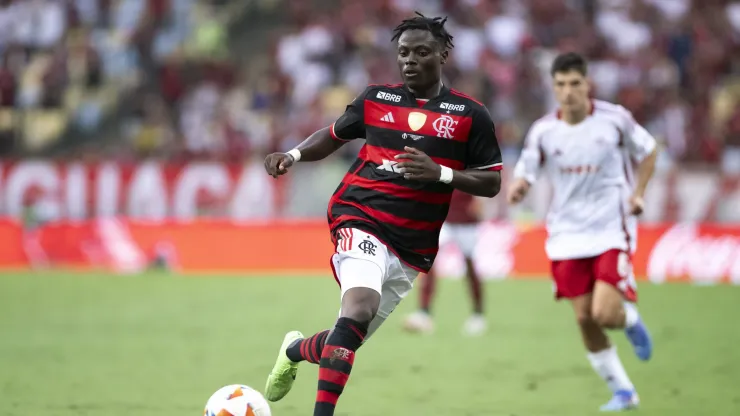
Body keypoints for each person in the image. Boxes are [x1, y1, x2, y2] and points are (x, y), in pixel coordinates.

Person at [262, 12, 503, 416]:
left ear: (444, 54)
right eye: (403, 53)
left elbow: (492, 181)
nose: (409, 60)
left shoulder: (470, 115)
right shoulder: (377, 99)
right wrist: (293, 154)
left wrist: (441, 173)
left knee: (345, 339)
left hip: (411, 245)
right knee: (358, 308)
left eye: (421, 52)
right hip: (360, 214)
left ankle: (293, 350)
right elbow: (334, 135)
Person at [507, 52, 656, 412]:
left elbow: (649, 151)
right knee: (584, 318)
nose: (568, 91)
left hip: (610, 228)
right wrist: (520, 186)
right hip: (566, 235)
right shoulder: (544, 130)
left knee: (605, 313)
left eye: (575, 83)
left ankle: (631, 320)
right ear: (553, 87)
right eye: (561, 84)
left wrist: (638, 194)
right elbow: (527, 169)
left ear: (587, 84)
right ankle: (624, 391)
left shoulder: (614, 120)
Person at [403, 190, 487, 336]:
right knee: (429, 262)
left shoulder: (472, 166)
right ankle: (424, 312)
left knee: (470, 267)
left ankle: (477, 314)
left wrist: (481, 200)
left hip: (467, 220)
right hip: (443, 218)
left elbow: (484, 177)